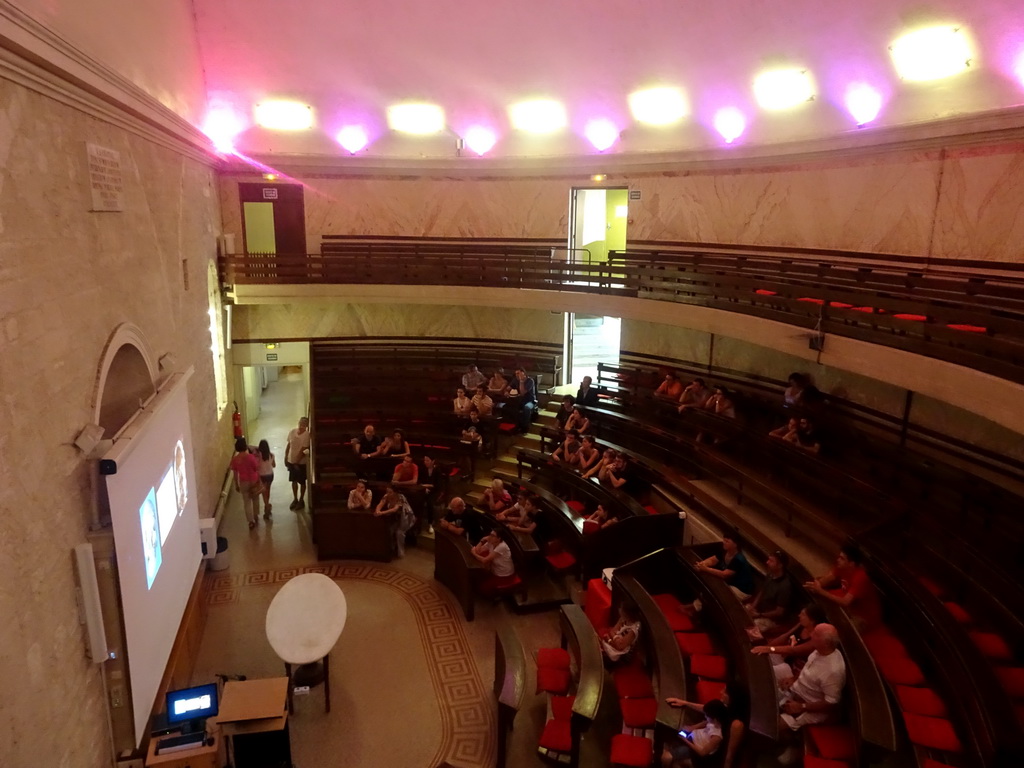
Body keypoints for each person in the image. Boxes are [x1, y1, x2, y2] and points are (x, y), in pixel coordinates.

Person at [776, 623, 846, 764]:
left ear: (825, 642)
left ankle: (795, 745)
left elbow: (831, 704)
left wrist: (800, 706)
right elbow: (808, 671)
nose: (811, 635)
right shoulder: (818, 651)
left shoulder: (833, 670)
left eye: (815, 634)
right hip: (797, 692)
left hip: (810, 708)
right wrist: (793, 678)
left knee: (773, 726)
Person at [666, 681, 748, 768]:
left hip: (711, 756)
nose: (721, 692)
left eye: (725, 691)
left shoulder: (737, 725)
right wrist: (685, 703)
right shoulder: (726, 707)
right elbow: (708, 710)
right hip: (703, 742)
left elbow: (729, 755)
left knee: (670, 759)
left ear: (733, 697)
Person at [805, 543, 882, 632]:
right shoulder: (841, 567)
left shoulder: (860, 578)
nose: (838, 560)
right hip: (848, 601)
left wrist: (820, 591)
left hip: (863, 615)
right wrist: (817, 584)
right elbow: (826, 579)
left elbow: (845, 602)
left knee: (840, 631)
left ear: (851, 564)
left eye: (842, 558)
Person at [751, 603, 827, 682]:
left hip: (793, 671)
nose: (799, 615)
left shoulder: (815, 639)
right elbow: (784, 637)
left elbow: (793, 650)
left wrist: (768, 649)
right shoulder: (802, 624)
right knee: (757, 656)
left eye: (803, 614)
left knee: (761, 670)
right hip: (785, 659)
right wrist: (765, 647)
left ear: (812, 620)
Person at [661, 699, 729, 768]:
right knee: (668, 737)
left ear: (715, 719)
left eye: (706, 715)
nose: (705, 716)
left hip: (694, 749)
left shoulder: (717, 737)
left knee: (666, 757)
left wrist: (685, 740)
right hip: (692, 737)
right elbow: (706, 722)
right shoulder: (714, 721)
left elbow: (702, 753)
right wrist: (693, 727)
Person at [744, 550, 798, 630]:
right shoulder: (771, 574)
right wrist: (753, 606)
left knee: (750, 628)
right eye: (768, 559)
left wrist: (759, 615)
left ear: (780, 565)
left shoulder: (785, 587)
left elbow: (779, 612)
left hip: (771, 619)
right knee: (741, 612)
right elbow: (762, 591)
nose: (767, 562)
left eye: (771, 561)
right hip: (760, 610)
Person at [694, 530, 755, 598]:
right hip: (729, 583)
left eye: (727, 541)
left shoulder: (738, 559)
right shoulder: (725, 551)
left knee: (715, 594)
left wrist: (705, 569)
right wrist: (702, 564)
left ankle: (695, 606)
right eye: (724, 540)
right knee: (708, 588)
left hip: (741, 589)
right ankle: (695, 606)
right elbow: (712, 560)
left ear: (735, 544)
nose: (724, 543)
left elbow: (724, 575)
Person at [472, 528, 518, 597]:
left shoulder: (502, 547)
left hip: (504, 575)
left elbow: (484, 560)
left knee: (482, 589)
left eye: (493, 536)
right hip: (495, 569)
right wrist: (482, 540)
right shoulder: (491, 542)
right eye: (490, 534)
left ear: (499, 539)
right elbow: (478, 551)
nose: (490, 537)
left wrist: (473, 553)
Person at [375, 483, 416, 557]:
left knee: (399, 532)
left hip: (406, 518)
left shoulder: (400, 497)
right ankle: (390, 549)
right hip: (396, 518)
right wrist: (377, 510)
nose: (388, 494)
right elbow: (380, 504)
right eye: (387, 492)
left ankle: (401, 551)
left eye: (390, 492)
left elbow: (395, 509)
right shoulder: (386, 496)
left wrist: (382, 513)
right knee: (388, 530)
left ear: (395, 492)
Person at [230, 437, 261, 529]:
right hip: (254, 480)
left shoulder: (235, 459)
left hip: (243, 482)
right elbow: (256, 468)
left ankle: (250, 521)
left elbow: (235, 473)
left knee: (246, 502)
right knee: (255, 499)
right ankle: (256, 515)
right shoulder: (250, 457)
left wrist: (236, 484)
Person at [285, 416, 311, 511]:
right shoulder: (292, 432)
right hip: (291, 461)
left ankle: (301, 499)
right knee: (293, 481)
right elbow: (289, 444)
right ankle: (295, 498)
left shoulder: (306, 435)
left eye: (304, 424)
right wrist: (286, 456)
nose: (302, 425)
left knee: (302, 481)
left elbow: (303, 449)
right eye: (301, 423)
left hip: (301, 463)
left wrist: (297, 461)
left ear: (307, 425)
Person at [508, 367, 537, 432]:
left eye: (518, 373)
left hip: (531, 400)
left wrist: (521, 381)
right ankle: (515, 425)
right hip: (519, 400)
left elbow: (522, 393)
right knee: (511, 406)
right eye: (516, 374)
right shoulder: (515, 379)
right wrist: (506, 392)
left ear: (523, 373)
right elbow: (509, 387)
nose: (517, 375)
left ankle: (525, 427)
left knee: (526, 407)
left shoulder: (530, 381)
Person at [256, 439, 275, 521]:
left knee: (263, 493)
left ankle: (267, 507)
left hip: (262, 476)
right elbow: (274, 465)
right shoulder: (271, 455)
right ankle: (267, 506)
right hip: (270, 475)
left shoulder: (258, 455)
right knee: (268, 491)